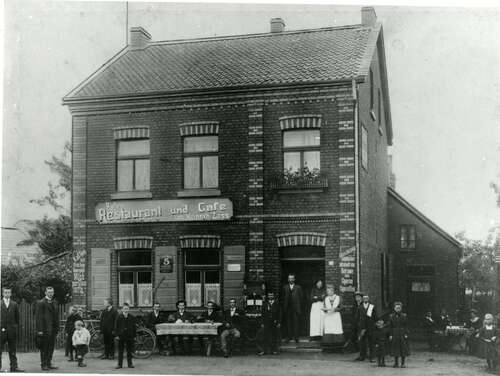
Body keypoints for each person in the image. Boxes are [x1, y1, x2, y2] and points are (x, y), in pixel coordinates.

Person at [35, 286, 59, 371]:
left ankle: (49, 363)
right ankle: (44, 364)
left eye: (52, 292)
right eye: (49, 292)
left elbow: (56, 317)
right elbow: (39, 318)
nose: (50, 294)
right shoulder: (41, 302)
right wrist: (40, 330)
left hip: (53, 329)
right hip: (44, 329)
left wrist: (57, 328)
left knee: (51, 347)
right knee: (44, 348)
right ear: (45, 293)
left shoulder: (55, 302)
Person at [0, 287, 24, 372]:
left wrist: (14, 328)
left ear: (10, 293)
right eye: (5, 292)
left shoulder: (14, 304)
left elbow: (17, 318)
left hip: (11, 331)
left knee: (13, 350)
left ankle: (14, 367)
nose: (7, 294)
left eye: (8, 292)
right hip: (1, 331)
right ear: (3, 293)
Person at [256, 291, 282, 355]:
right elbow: (262, 314)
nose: (270, 297)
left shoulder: (277, 303)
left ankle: (274, 350)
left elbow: (280, 314)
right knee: (265, 336)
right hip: (266, 322)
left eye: (272, 295)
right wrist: (262, 323)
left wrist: (279, 322)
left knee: (274, 336)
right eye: (269, 295)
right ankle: (264, 350)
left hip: (274, 322)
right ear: (268, 296)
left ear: (274, 296)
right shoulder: (265, 304)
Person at [281, 273, 303, 343]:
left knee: (296, 323)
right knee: (288, 323)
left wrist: (298, 306)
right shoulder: (285, 287)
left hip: (296, 308)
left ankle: (296, 337)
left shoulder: (298, 287)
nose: (291, 279)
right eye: (289, 278)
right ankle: (289, 337)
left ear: (294, 279)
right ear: (288, 279)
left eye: (292, 278)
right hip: (287, 308)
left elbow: (301, 298)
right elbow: (282, 298)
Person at [355, 294, 377, 362]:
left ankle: (372, 357)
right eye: (364, 298)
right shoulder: (360, 307)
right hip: (362, 327)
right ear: (363, 299)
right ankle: (362, 356)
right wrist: (359, 325)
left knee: (371, 343)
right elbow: (357, 317)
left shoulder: (371, 307)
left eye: (367, 298)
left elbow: (375, 316)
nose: (365, 299)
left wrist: (374, 324)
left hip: (370, 327)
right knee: (362, 342)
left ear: (368, 299)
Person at [388, 301, 410, 368]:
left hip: (402, 333)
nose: (398, 309)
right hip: (395, 333)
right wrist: (390, 335)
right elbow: (390, 326)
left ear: (401, 308)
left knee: (403, 348)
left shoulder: (404, 316)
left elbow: (406, 325)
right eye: (396, 308)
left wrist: (406, 333)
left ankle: (403, 363)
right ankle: (396, 363)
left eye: (399, 308)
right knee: (395, 349)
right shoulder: (391, 316)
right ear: (394, 308)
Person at [114, 303, 136, 369]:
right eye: (124, 309)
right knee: (120, 351)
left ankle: (130, 364)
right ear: (122, 309)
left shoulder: (131, 317)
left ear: (129, 309)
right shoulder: (119, 317)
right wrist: (117, 335)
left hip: (129, 336)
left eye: (127, 309)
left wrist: (134, 335)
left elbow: (134, 327)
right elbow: (116, 326)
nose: (126, 310)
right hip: (121, 336)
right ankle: (119, 364)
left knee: (129, 351)